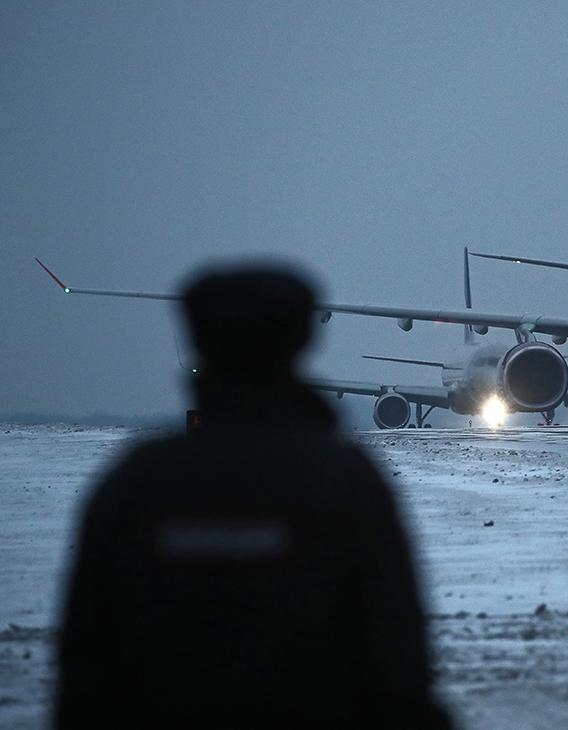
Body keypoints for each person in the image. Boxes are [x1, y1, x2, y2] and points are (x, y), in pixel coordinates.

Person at [56, 264, 452, 729]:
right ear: (303, 341)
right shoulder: (344, 480)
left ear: (198, 340)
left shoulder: (135, 480)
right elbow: (396, 658)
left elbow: (84, 664)